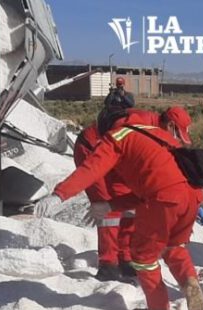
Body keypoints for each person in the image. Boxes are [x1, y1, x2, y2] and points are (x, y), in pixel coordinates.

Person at [35, 112, 203, 310]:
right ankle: (189, 280)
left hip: (164, 199)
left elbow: (91, 169)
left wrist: (60, 194)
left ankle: (158, 308)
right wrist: (111, 205)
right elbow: (145, 190)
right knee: (174, 246)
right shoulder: (158, 136)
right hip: (194, 196)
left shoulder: (117, 137)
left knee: (143, 257)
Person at [74, 107, 194, 282]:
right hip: (92, 150)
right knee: (107, 207)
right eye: (178, 135)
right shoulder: (139, 123)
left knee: (132, 204)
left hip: (118, 159)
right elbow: (115, 146)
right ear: (170, 126)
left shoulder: (156, 132)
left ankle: (125, 257)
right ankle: (108, 265)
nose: (176, 140)